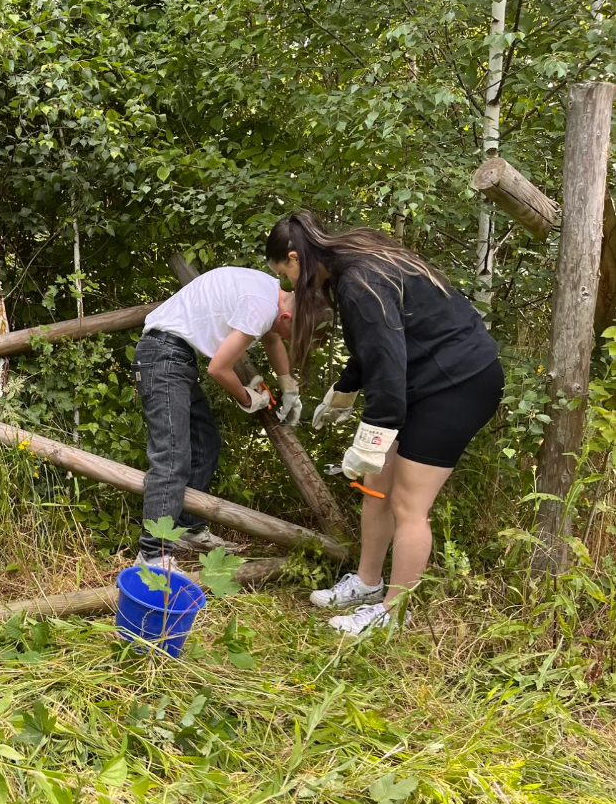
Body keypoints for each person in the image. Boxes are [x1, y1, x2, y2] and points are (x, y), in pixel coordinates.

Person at [265, 211, 503, 635]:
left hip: (459, 384)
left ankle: (394, 614)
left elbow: (388, 371)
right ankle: (367, 583)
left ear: (295, 258)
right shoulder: (349, 261)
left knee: (409, 506)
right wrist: (344, 390)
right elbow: (375, 346)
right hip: (425, 379)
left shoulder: (358, 280)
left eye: (284, 274)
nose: (288, 286)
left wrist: (371, 438)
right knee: (377, 488)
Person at [134, 266, 299, 570]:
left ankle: (187, 529)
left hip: (175, 358)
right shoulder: (262, 305)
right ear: (287, 318)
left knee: (205, 442)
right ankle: (153, 555)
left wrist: (289, 385)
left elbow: (272, 339)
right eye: (293, 335)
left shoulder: (269, 290)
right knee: (171, 455)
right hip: (162, 357)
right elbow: (219, 369)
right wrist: (250, 398)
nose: (286, 339)